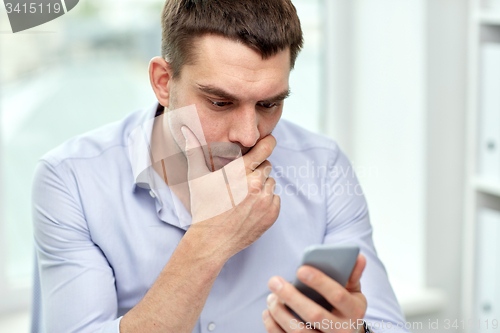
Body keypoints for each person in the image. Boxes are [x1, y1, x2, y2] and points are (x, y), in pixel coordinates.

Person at [31, 1, 408, 332]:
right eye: (220, 103)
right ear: (164, 82)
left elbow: (386, 324)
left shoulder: (324, 166)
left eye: (269, 104)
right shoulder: (71, 179)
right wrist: (211, 237)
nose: (248, 135)